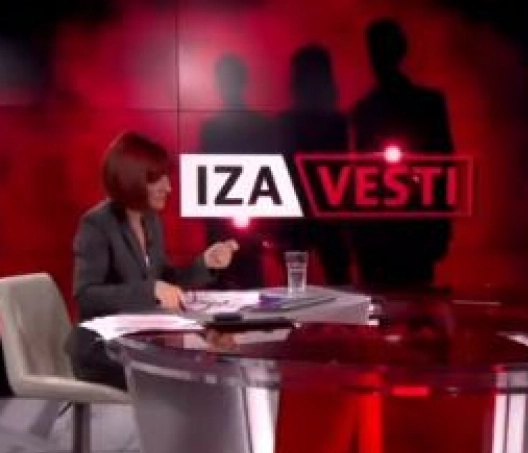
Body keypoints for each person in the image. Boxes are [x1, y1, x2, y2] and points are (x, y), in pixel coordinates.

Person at [69, 131, 239, 389]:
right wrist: (150, 290)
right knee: (187, 374)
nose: (168, 187)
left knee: (211, 365)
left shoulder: (150, 220)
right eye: (156, 179)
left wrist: (205, 263)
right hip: (101, 349)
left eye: (167, 177)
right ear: (131, 178)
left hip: (143, 341)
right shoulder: (97, 223)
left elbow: (165, 280)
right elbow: (86, 295)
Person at [349, 18, 455, 289]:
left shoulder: (370, 109)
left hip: (410, 227)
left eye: (381, 49)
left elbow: (445, 166)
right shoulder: (367, 110)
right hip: (389, 230)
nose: (377, 57)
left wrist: (441, 226)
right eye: (375, 49)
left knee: (409, 301)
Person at [200, 54, 278, 288]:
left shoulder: (213, 129)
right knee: (234, 281)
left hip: (244, 221)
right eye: (224, 80)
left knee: (244, 280)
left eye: (229, 80)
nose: (226, 86)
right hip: (227, 222)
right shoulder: (215, 128)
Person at [278, 45, 352, 285]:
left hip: (306, 213)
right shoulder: (337, 122)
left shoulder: (288, 122)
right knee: (337, 278)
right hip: (322, 212)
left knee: (300, 282)